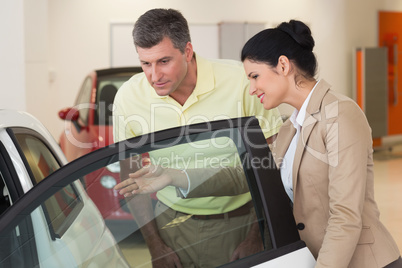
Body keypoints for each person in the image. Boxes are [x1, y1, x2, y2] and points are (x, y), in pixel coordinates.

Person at [112, 8, 283, 267]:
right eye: (146, 63)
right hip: (171, 227)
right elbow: (132, 182)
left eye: (164, 61)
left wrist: (257, 236)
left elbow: (272, 164)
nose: (154, 76)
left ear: (188, 51)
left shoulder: (240, 81)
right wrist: (155, 246)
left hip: (241, 223)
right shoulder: (128, 97)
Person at [239, 20, 401, 267]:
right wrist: (177, 176)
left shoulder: (340, 114)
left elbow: (345, 216)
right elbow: (253, 172)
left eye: (255, 76)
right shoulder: (289, 128)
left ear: (283, 65)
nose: (251, 89)